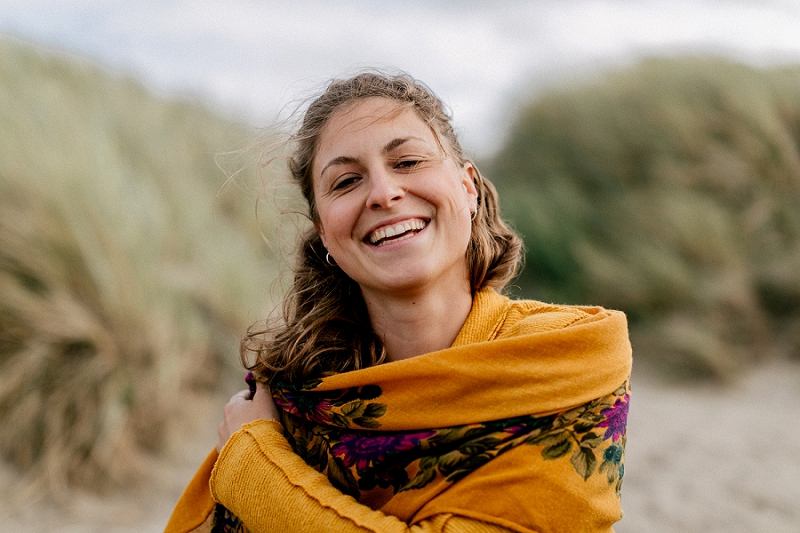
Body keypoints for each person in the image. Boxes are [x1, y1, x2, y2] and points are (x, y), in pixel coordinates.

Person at [165, 72, 632, 533]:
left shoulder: (571, 363)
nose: (384, 193)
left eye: (407, 162)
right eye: (346, 181)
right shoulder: (298, 400)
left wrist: (256, 469)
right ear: (325, 230)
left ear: (467, 186)